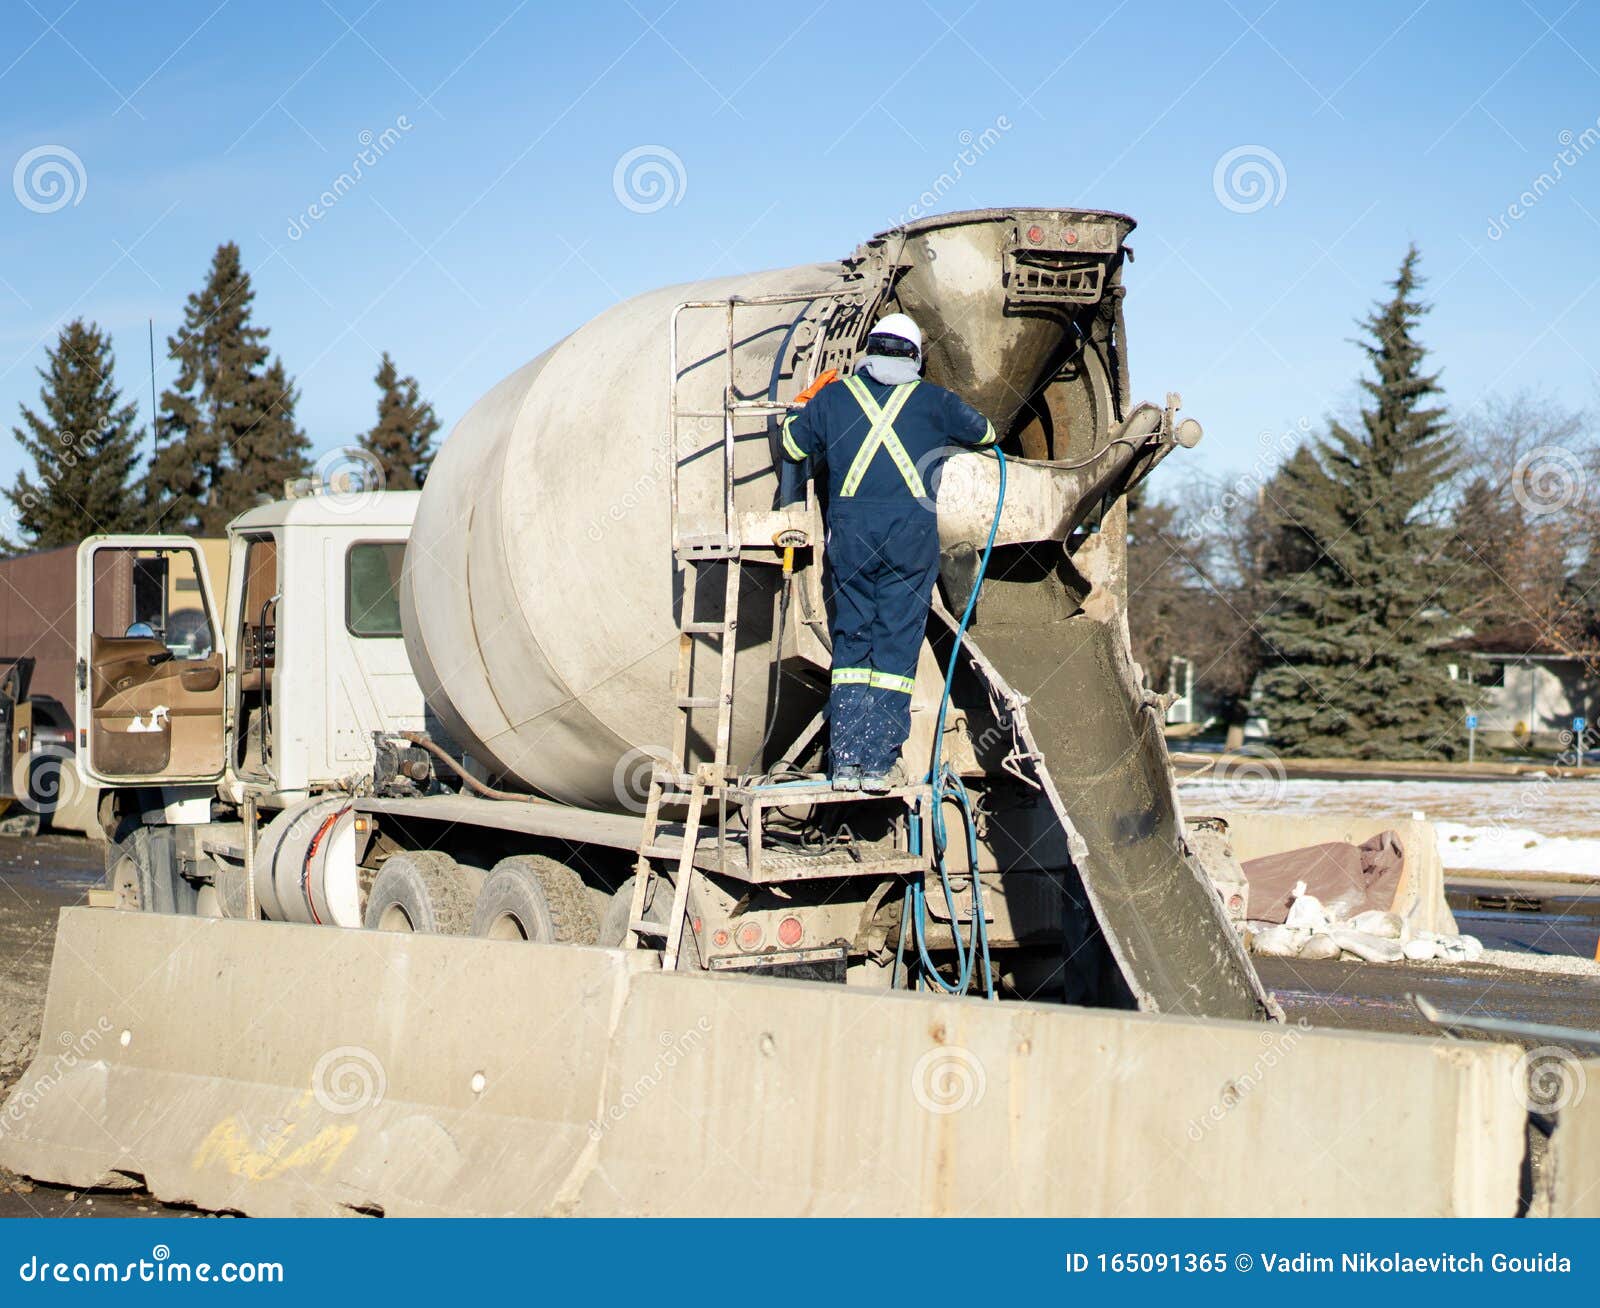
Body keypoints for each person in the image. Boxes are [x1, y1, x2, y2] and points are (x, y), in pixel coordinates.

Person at [778, 313, 997, 792]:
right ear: (915, 356)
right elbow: (984, 434)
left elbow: (792, 444)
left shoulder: (834, 397)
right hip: (909, 535)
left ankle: (847, 764)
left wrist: (802, 408)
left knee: (853, 640)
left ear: (869, 352)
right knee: (896, 641)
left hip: (851, 535)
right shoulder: (934, 400)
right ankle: (879, 764)